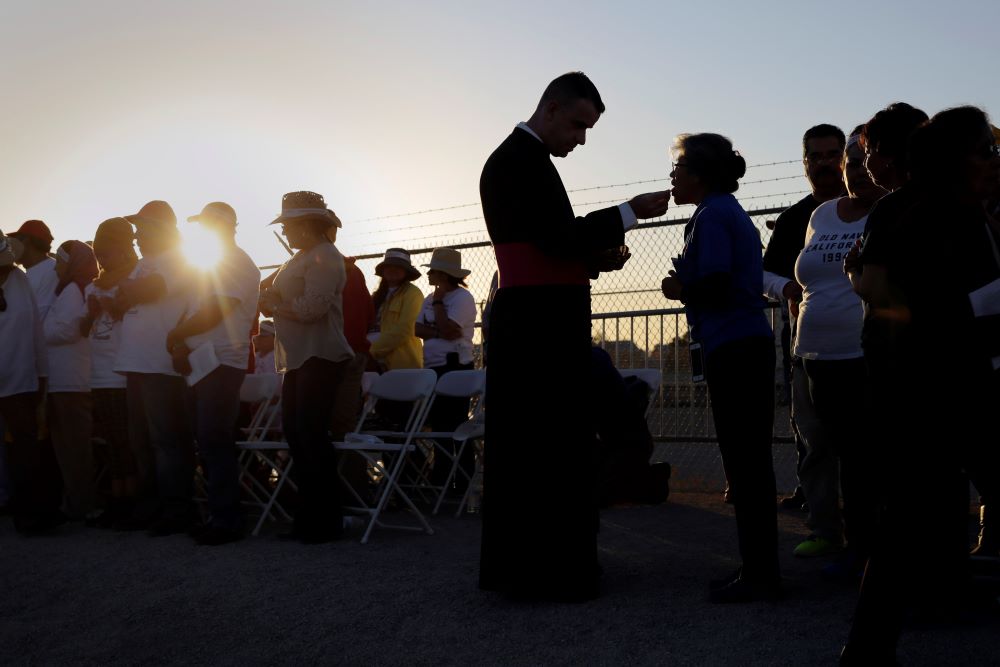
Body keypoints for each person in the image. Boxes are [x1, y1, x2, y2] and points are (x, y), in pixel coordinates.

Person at [478, 71, 670, 601]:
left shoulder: (523, 160)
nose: (581, 140)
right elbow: (556, 238)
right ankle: (548, 571)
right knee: (550, 448)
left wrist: (592, 259)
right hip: (539, 328)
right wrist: (629, 212)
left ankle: (536, 566)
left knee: (545, 447)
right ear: (552, 107)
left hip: (537, 320)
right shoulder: (519, 161)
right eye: (579, 126)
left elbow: (550, 249)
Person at [842, 107, 1000, 664]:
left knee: (904, 524)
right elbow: (893, 307)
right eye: (984, 150)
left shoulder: (972, 211)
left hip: (948, 386)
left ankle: (867, 650)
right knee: (903, 522)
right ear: (953, 158)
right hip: (934, 390)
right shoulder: (913, 214)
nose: (993, 159)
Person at [660, 132, 779, 603]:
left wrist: (677, 286)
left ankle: (760, 574)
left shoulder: (709, 217)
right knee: (752, 462)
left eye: (678, 169)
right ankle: (761, 568)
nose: (672, 177)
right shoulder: (728, 213)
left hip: (733, 344)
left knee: (745, 463)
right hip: (747, 342)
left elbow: (712, 283)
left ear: (700, 175)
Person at [791, 132, 886, 565]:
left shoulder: (888, 214)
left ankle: (869, 550)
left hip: (863, 355)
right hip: (812, 355)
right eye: (850, 162)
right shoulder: (822, 215)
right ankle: (832, 535)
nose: (858, 170)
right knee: (821, 448)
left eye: (866, 160)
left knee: (863, 457)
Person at [259, 191, 354, 544]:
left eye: (289, 225)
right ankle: (310, 517)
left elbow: (313, 308)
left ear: (305, 224)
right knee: (299, 435)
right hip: (301, 357)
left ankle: (324, 520)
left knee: (310, 436)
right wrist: (272, 301)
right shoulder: (302, 258)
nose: (285, 232)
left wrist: (275, 305)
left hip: (320, 355)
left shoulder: (325, 256)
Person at [762, 124, 846, 516]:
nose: (825, 163)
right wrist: (788, 290)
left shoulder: (868, 207)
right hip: (804, 341)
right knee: (809, 429)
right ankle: (814, 499)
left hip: (861, 343)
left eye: (833, 154)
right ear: (804, 162)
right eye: (817, 156)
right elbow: (764, 275)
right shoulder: (794, 217)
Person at [165, 202, 260, 545]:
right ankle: (220, 515)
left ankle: (228, 519)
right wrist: (178, 342)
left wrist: (176, 337)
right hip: (204, 361)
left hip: (221, 362)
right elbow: (194, 311)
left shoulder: (236, 262)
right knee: (207, 440)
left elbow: (214, 312)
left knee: (214, 440)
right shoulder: (212, 263)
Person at [113, 200, 197, 535]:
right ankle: (151, 508)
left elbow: (149, 289)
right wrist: (131, 291)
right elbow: (123, 296)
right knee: (142, 442)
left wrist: (131, 291)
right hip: (136, 363)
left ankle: (177, 511)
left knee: (167, 441)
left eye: (142, 229)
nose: (136, 237)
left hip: (161, 365)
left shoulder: (179, 260)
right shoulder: (145, 263)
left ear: (162, 230)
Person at [0, 231, 62, 534]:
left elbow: (36, 330)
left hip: (21, 382)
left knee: (26, 452)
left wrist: (42, 375)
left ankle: (32, 514)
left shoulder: (19, 281)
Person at [80, 217, 139, 528]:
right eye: (98, 253)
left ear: (124, 249)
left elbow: (142, 322)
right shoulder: (93, 286)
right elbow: (80, 329)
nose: (102, 259)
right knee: (113, 441)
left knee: (126, 440)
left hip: (123, 371)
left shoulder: (134, 279)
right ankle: (118, 501)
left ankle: (130, 502)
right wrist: (90, 315)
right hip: (99, 372)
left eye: (108, 252)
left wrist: (116, 307)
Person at [414, 247, 478, 489]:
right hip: (433, 367)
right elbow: (417, 330)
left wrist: (440, 303)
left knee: (456, 423)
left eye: (433, 272)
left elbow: (452, 330)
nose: (429, 276)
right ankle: (441, 480)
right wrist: (440, 331)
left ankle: (462, 481)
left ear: (443, 274)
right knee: (439, 425)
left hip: (455, 365)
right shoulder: (427, 299)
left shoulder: (461, 298)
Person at [44, 240, 99, 521]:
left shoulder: (73, 290)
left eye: (61, 261)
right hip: (67, 380)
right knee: (69, 448)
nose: (56, 266)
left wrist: (39, 332)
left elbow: (68, 330)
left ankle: (82, 505)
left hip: (70, 381)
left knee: (74, 448)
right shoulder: (73, 289)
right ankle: (78, 502)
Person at [367, 248, 423, 371]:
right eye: (389, 266)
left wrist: (371, 352)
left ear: (406, 272)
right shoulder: (375, 297)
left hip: (400, 364)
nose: (393, 269)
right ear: (383, 270)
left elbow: (405, 329)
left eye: (398, 266)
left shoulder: (413, 293)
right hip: (370, 362)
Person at [9, 219, 58, 321]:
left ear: (26, 241)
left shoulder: (52, 270)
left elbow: (38, 317)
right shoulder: (27, 273)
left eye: (17, 240)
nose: (12, 247)